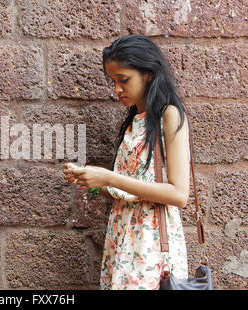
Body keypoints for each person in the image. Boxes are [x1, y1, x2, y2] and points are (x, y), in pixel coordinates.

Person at [63, 34, 190, 290]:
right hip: (124, 241)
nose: (117, 89)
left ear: (149, 74)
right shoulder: (135, 121)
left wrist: (109, 177)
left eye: (124, 80)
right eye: (113, 81)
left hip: (150, 246)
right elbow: (132, 190)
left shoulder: (169, 115)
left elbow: (179, 194)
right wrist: (94, 182)